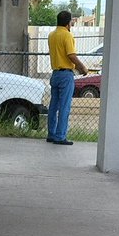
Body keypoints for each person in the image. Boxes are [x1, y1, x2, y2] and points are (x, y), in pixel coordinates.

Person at [46, 10, 87, 146]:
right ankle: (60, 136)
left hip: (55, 73)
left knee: (53, 106)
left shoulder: (52, 35)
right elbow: (71, 55)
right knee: (64, 106)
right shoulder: (67, 35)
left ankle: (51, 134)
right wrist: (82, 67)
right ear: (68, 23)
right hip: (66, 75)